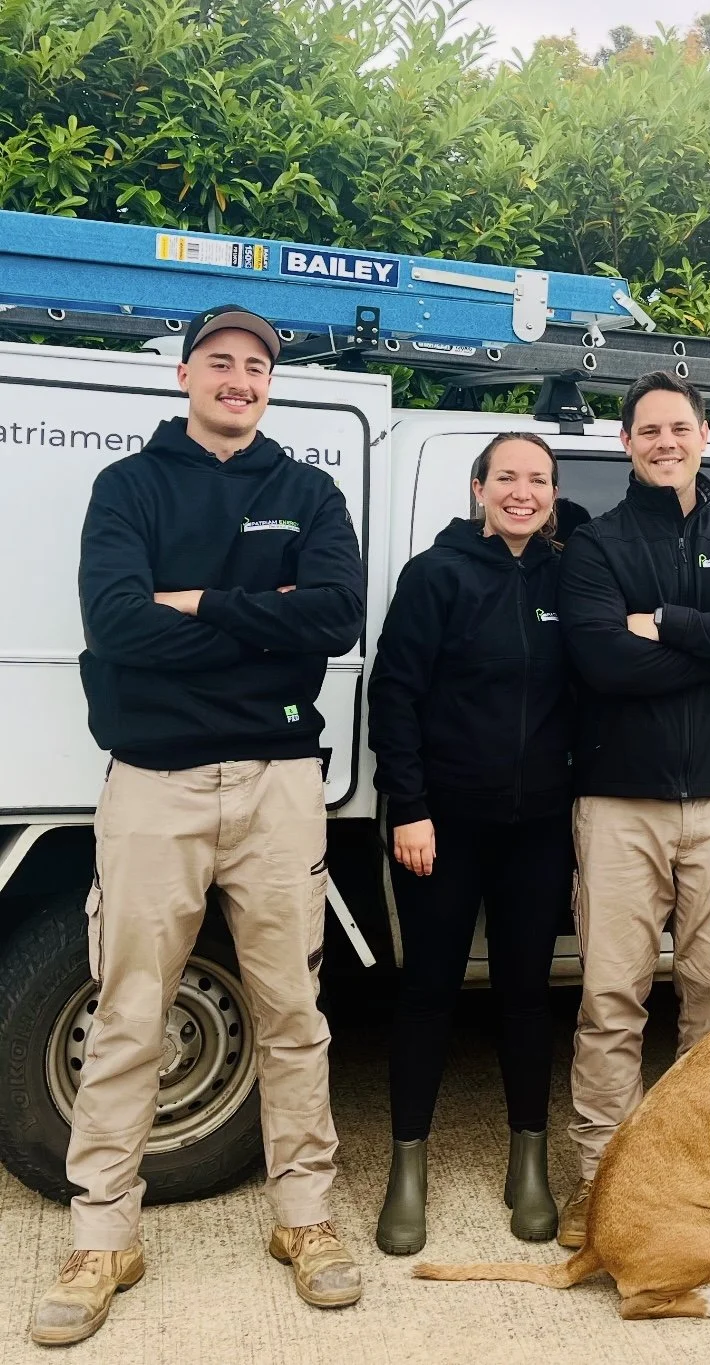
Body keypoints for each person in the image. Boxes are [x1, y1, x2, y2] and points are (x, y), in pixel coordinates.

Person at [31, 305, 366, 1347]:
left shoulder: (306, 490)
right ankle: (103, 1237)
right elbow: (117, 625)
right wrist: (254, 611)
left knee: (292, 1013)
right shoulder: (129, 487)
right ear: (184, 377)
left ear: (271, 385)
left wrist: (198, 605)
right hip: (154, 786)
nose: (239, 379)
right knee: (130, 1013)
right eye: (219, 362)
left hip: (276, 786)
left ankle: (305, 1220)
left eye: (256, 366)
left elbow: (334, 618)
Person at [555, 371, 710, 1248]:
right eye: (648, 430)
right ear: (626, 444)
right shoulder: (595, 544)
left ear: (706, 436)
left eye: (680, 428)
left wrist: (664, 621)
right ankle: (601, 1182)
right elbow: (601, 663)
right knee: (611, 1000)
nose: (665, 441)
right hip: (620, 803)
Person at [367, 432, 574, 1256]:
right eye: (508, 478)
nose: (523, 492)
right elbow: (395, 693)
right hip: (442, 824)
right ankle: (405, 1166)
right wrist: (409, 805)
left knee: (528, 994)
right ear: (479, 486)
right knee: (429, 991)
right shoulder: (436, 574)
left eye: (539, 479)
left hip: (539, 828)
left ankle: (530, 1161)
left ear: (554, 492)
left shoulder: (569, 575)